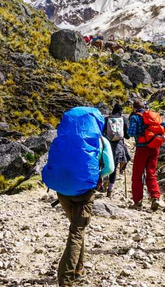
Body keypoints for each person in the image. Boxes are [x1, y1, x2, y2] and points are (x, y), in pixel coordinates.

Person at [42, 107, 114, 286]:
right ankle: (65, 279)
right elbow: (110, 168)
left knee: (77, 227)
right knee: (76, 232)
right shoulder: (101, 141)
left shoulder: (62, 139)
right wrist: (97, 176)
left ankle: (79, 266)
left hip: (62, 191)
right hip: (84, 192)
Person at [127, 99, 165, 210]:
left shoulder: (135, 117)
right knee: (151, 173)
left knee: (137, 175)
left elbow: (130, 132)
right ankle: (155, 197)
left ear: (134, 108)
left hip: (142, 149)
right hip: (154, 148)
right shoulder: (153, 116)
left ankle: (137, 201)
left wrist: (141, 133)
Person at [103, 103, 131, 197]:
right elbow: (127, 136)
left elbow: (102, 132)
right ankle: (110, 191)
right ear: (121, 111)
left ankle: (104, 180)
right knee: (114, 167)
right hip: (118, 147)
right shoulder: (123, 119)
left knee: (104, 163)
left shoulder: (107, 119)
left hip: (107, 145)